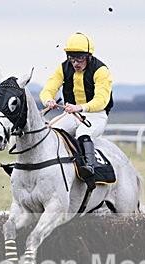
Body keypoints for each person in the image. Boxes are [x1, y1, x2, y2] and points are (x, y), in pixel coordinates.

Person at [40, 32, 114, 191]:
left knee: (82, 133)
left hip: (96, 114)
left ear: (88, 57)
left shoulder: (101, 70)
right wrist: (48, 100)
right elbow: (49, 88)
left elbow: (102, 100)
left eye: (79, 59)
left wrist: (80, 107)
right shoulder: (63, 68)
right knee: (51, 132)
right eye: (72, 59)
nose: (75, 63)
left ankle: (89, 168)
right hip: (72, 114)